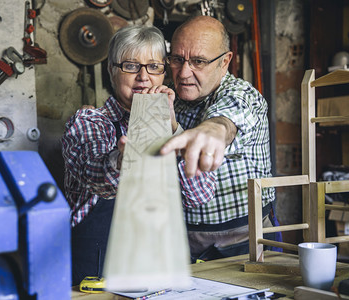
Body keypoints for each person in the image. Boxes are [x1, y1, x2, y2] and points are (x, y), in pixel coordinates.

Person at [61, 24, 217, 286]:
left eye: (154, 66)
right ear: (113, 70)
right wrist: (123, 160)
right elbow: (95, 176)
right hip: (97, 269)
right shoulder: (90, 121)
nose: (144, 77)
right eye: (131, 65)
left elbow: (200, 196)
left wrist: (173, 129)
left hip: (158, 264)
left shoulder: (173, 127)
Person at [160, 15, 280, 261]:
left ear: (224, 62)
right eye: (177, 59)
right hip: (180, 242)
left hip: (243, 241)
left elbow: (227, 118)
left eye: (198, 61)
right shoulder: (170, 97)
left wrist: (213, 130)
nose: (183, 72)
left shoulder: (244, 95)